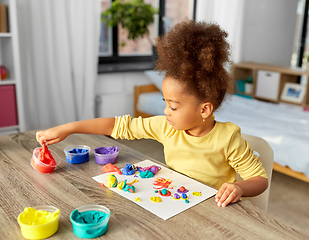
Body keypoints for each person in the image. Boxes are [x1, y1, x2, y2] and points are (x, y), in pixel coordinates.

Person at [36, 20, 268, 207]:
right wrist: (68, 128)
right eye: (165, 103)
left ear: (204, 109)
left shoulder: (228, 138)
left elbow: (260, 180)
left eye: (174, 107)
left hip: (213, 211)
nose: (166, 112)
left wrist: (239, 188)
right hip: (174, 203)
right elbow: (117, 126)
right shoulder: (166, 126)